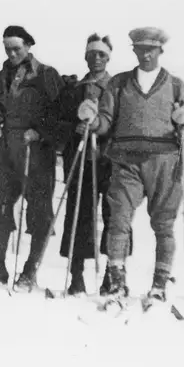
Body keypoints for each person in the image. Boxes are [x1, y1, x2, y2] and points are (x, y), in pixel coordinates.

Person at [76, 27, 184, 307]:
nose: (146, 54)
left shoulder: (176, 85)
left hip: (165, 162)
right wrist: (92, 120)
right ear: (133, 51)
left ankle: (159, 284)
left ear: (160, 51)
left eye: (151, 50)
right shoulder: (119, 83)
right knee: (118, 219)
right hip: (126, 160)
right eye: (140, 49)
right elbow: (106, 121)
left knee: (163, 225)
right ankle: (117, 280)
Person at [0, 25, 66, 289]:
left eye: (16, 48)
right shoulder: (3, 74)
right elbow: (0, 103)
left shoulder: (46, 74)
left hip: (36, 152)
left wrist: (40, 132)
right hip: (8, 147)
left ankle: (30, 271)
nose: (11, 53)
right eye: (7, 48)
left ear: (29, 46)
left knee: (39, 212)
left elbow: (59, 112)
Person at [56, 34, 116, 295]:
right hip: (80, 158)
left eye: (101, 54)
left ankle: (112, 276)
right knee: (79, 214)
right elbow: (59, 121)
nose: (97, 59)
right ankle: (77, 276)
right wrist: (74, 127)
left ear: (109, 57)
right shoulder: (74, 88)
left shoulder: (117, 86)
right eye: (92, 54)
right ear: (85, 56)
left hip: (110, 159)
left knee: (113, 216)